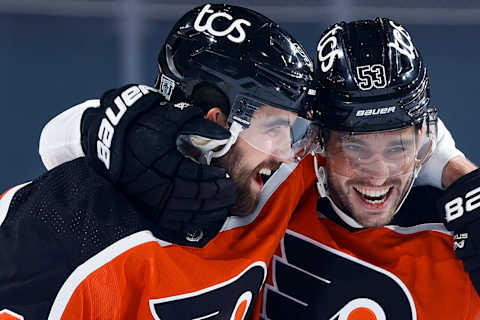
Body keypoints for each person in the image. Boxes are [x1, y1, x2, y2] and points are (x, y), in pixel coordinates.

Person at [0, 4, 319, 319]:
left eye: (292, 130)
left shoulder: (280, 185)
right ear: (217, 122)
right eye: (274, 127)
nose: (286, 153)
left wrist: (98, 126)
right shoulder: (69, 227)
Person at [259, 18, 480, 319]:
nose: (377, 174)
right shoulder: (264, 203)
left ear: (421, 140)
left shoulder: (456, 235)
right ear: (319, 140)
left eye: (396, 147)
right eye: (355, 147)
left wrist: (466, 183)